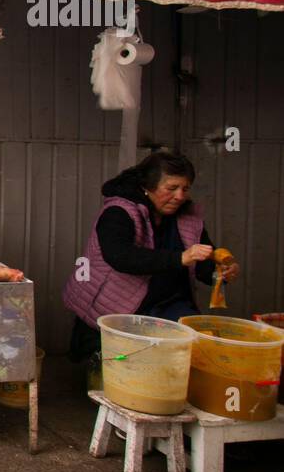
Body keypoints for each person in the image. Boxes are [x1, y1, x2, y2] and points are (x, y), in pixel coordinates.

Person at [63, 150, 240, 362]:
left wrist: (219, 273)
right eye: (172, 188)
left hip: (170, 303)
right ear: (148, 187)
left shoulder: (189, 217)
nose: (180, 196)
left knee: (186, 356)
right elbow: (120, 257)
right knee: (120, 368)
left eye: (185, 189)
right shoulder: (119, 212)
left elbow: (202, 263)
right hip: (119, 303)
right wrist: (180, 258)